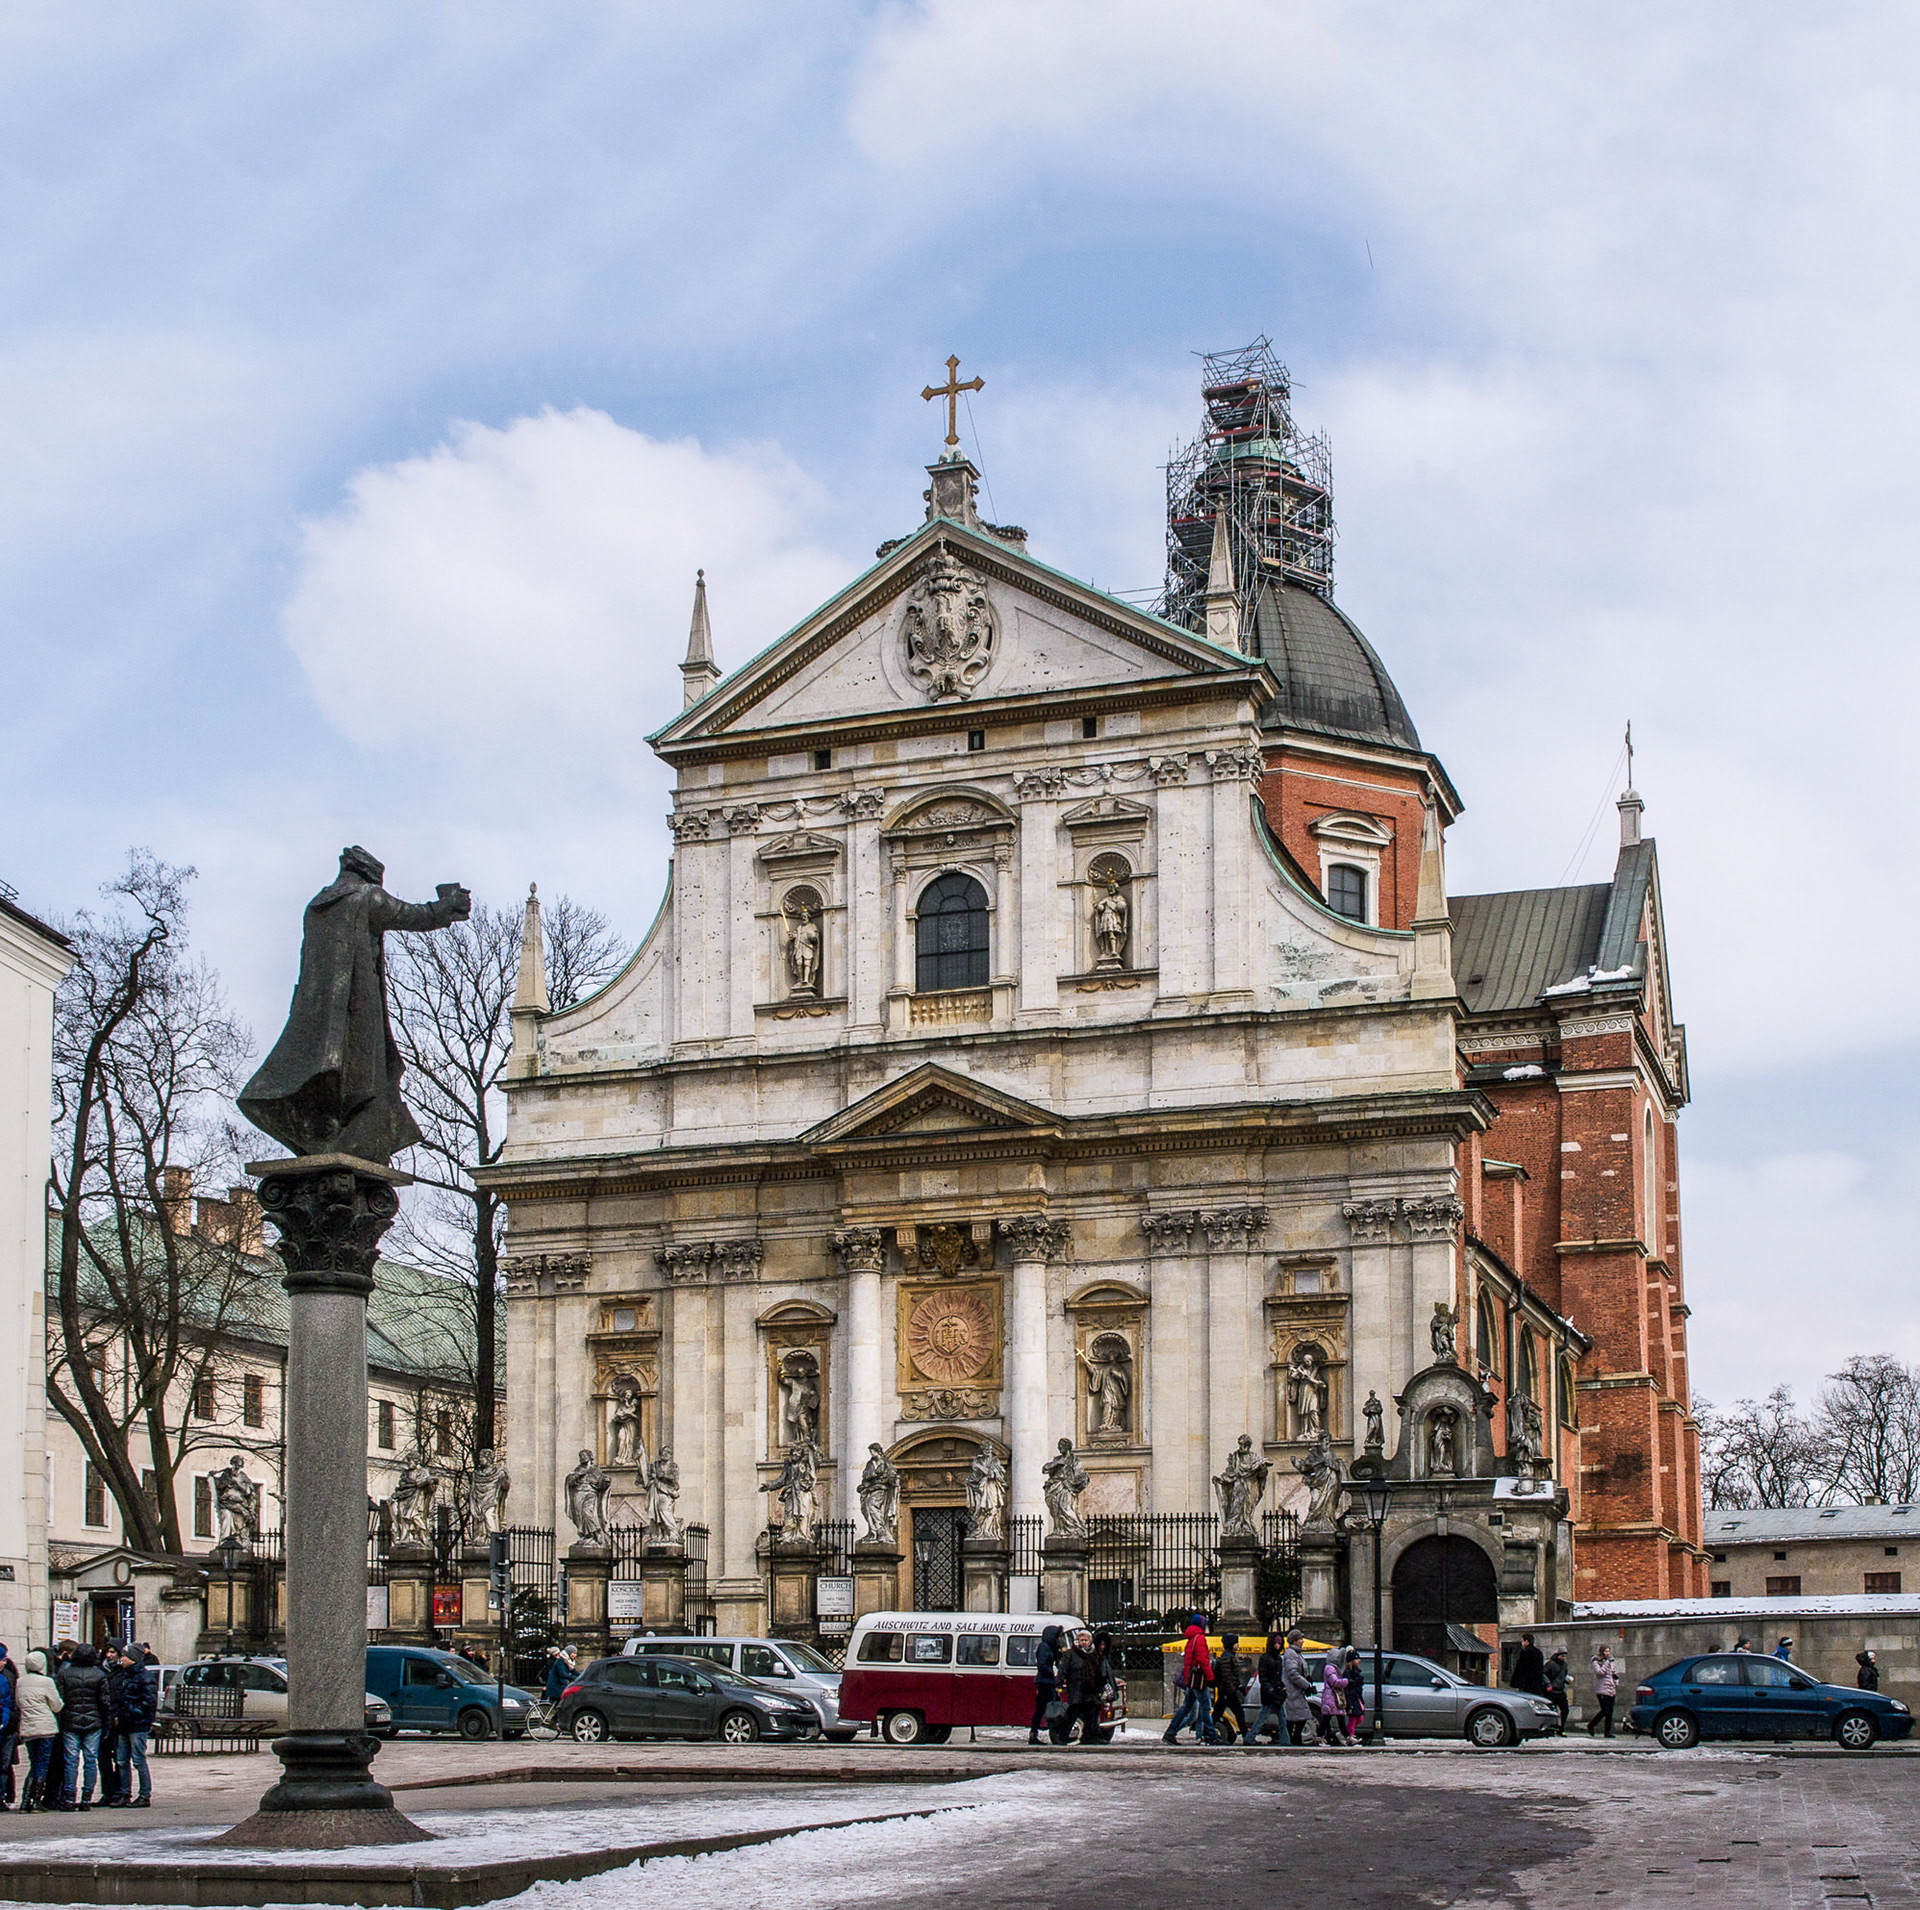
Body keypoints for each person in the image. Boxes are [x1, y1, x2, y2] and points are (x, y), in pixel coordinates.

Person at [56, 1645, 108, 1811]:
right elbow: (105, 1702)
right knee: (90, 1759)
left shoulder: (65, 1673)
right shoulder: (99, 1674)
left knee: (71, 1760)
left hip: (70, 1720)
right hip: (94, 1721)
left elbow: (60, 1700)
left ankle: (70, 1796)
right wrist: (106, 1722)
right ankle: (87, 1797)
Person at [106, 1646, 154, 1808]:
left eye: (125, 1657)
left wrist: (129, 1713)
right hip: (124, 1724)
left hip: (137, 1725)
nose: (122, 1659)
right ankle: (125, 1793)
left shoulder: (144, 1676)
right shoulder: (125, 1674)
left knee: (139, 1760)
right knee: (121, 1760)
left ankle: (144, 1794)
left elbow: (148, 1702)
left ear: (132, 1658)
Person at [15, 1652, 60, 1813]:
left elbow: (18, 1703)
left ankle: (25, 1800)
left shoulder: (20, 1682)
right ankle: (35, 1801)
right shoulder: (47, 1681)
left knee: (34, 1762)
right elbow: (56, 1705)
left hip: (28, 1727)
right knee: (42, 1763)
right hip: (45, 1726)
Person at [1162, 1616, 1217, 1744]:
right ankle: (1210, 1734)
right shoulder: (1200, 1638)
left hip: (1191, 1678)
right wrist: (1210, 1677)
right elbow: (1203, 1660)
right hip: (1198, 1679)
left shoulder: (1192, 1639)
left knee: (1186, 1707)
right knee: (1205, 1706)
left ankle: (1171, 1732)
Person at [1055, 1629, 1105, 1746]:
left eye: (1086, 1640)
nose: (1083, 1642)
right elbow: (1063, 1670)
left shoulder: (1093, 1654)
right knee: (1073, 1713)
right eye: (1081, 1640)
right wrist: (1059, 1684)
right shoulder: (1071, 1654)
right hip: (1076, 1688)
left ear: (1090, 1641)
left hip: (1090, 1689)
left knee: (1091, 1714)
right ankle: (1063, 1736)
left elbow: (1098, 1670)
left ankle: (1089, 1736)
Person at [1248, 1633, 1287, 1744]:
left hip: (1276, 1692)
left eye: (1280, 1643)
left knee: (1281, 1717)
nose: (1277, 1646)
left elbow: (1278, 1677)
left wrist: (1282, 1689)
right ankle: (1250, 1737)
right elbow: (1263, 1678)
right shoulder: (1265, 1658)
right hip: (1269, 1693)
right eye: (1276, 1643)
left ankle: (1285, 1740)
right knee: (1264, 1717)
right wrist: (1270, 1690)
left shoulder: (1278, 1658)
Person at [1212, 1633, 1250, 1745]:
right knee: (1237, 1713)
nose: (1238, 1645)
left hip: (1227, 1691)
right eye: (1236, 1643)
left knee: (1219, 1713)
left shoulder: (1228, 1656)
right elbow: (1227, 1675)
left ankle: (1208, 1732)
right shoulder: (1227, 1657)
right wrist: (1232, 1689)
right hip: (1227, 1692)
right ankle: (1246, 1737)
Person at [1031, 1624, 1064, 1747]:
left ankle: (1033, 1734)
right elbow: (1042, 1665)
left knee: (1040, 1709)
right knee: (1052, 1707)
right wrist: (1052, 1674)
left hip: (1045, 1681)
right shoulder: (1044, 1647)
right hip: (1045, 1682)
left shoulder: (1049, 1647)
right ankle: (1055, 1733)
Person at [1281, 1628, 1315, 1746]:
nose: (1302, 1641)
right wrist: (1305, 1685)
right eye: (1300, 1639)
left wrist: (1307, 1679)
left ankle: (1293, 1738)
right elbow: (1292, 1673)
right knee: (1296, 1717)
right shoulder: (1291, 1653)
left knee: (1299, 1716)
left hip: (1297, 1691)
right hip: (1292, 1691)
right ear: (1294, 1641)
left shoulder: (1297, 1653)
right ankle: (1292, 1739)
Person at [1588, 1645, 1620, 1738]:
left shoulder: (1611, 1661)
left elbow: (1614, 1672)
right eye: (1606, 1651)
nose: (1608, 1653)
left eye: (1609, 1651)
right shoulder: (1596, 1661)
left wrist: (1616, 1681)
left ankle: (1607, 1732)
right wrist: (1606, 1663)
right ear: (1602, 1652)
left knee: (1610, 1711)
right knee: (1605, 1710)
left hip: (1611, 1689)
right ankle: (1591, 1724)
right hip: (1602, 1690)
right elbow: (1600, 1673)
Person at [1317, 1654, 1350, 1746]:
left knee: (1339, 1718)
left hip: (1333, 1696)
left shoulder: (1333, 1668)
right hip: (1330, 1697)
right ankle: (1320, 1737)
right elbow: (1334, 1682)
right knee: (1327, 1718)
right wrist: (1347, 1681)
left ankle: (1346, 1736)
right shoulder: (1330, 1668)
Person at [0, 1647, 16, 1809]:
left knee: (4, 1764)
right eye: (2, 1659)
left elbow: (11, 1704)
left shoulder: (8, 1676)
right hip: (6, 1725)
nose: (5, 1661)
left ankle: (1, 1796)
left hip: (6, 1727)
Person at [1543, 1648, 1571, 1735]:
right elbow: (1543, 1673)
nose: (1564, 1658)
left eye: (1565, 1656)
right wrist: (1548, 1684)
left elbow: (1564, 1676)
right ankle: (1552, 1728)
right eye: (1562, 1656)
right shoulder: (1551, 1664)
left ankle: (1561, 1728)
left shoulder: (1565, 1665)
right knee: (1552, 1711)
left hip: (1560, 1690)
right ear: (1558, 1656)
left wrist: (1567, 1680)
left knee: (1565, 1710)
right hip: (1552, 1691)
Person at [1342, 1647, 1367, 1742]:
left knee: (1359, 1718)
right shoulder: (1348, 1673)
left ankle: (1345, 1732)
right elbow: (1348, 1687)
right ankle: (1350, 1735)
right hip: (1351, 1698)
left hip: (1356, 1698)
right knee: (1353, 1718)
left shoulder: (1356, 1672)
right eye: (1356, 1659)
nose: (1359, 1661)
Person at [1510, 1633, 1547, 1697]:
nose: (1522, 1644)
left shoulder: (1525, 1652)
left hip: (1526, 1683)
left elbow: (1520, 1668)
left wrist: (1515, 1682)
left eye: (1522, 1641)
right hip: (1537, 1683)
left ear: (1526, 1641)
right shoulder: (1539, 1653)